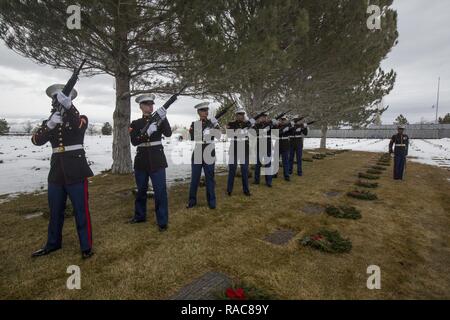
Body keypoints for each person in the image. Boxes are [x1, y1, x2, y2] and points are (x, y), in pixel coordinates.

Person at [31, 84, 94, 259]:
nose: (57, 101)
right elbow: (36, 140)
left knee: (81, 210)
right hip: (57, 172)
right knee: (55, 211)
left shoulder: (80, 117)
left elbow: (79, 128)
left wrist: (70, 107)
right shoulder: (49, 122)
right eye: (55, 99)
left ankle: (86, 246)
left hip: (76, 171)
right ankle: (53, 243)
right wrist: (49, 125)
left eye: (62, 99)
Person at [128, 94, 172, 232]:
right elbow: (135, 141)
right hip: (141, 161)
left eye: (151, 104)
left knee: (160, 192)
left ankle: (162, 221)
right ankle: (140, 216)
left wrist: (163, 119)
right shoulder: (135, 124)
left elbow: (169, 133)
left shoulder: (159, 120)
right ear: (141, 106)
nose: (150, 106)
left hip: (157, 160)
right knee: (141, 191)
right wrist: (147, 133)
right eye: (146, 104)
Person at [187, 102, 219, 209]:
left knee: (210, 178)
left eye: (206, 110)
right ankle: (192, 201)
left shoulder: (213, 123)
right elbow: (194, 137)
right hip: (197, 153)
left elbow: (218, 135)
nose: (205, 112)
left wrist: (215, 126)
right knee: (195, 178)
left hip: (209, 152)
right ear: (198, 112)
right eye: (203, 110)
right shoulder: (194, 124)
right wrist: (203, 131)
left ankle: (212, 202)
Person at [226, 108, 255, 196]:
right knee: (232, 170)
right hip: (234, 149)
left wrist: (251, 124)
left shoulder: (247, 123)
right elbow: (230, 134)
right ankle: (229, 190)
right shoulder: (231, 124)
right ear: (236, 115)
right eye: (239, 115)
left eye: (242, 115)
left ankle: (246, 190)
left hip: (245, 149)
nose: (241, 116)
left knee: (245, 170)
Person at [253, 112, 273, 187]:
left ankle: (269, 181)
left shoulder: (270, 124)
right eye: (262, 117)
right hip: (259, 146)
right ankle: (256, 180)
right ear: (259, 118)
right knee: (258, 164)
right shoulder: (256, 125)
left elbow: (275, 130)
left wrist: (272, 125)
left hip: (267, 146)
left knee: (268, 164)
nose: (264, 118)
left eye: (265, 117)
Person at [276, 115, 292, 181]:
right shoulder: (276, 126)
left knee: (285, 161)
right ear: (279, 120)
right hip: (277, 144)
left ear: (286, 120)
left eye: (284, 120)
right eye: (281, 119)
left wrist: (291, 127)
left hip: (285, 145)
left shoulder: (288, 126)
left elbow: (292, 132)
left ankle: (286, 175)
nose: (282, 121)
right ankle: (275, 173)